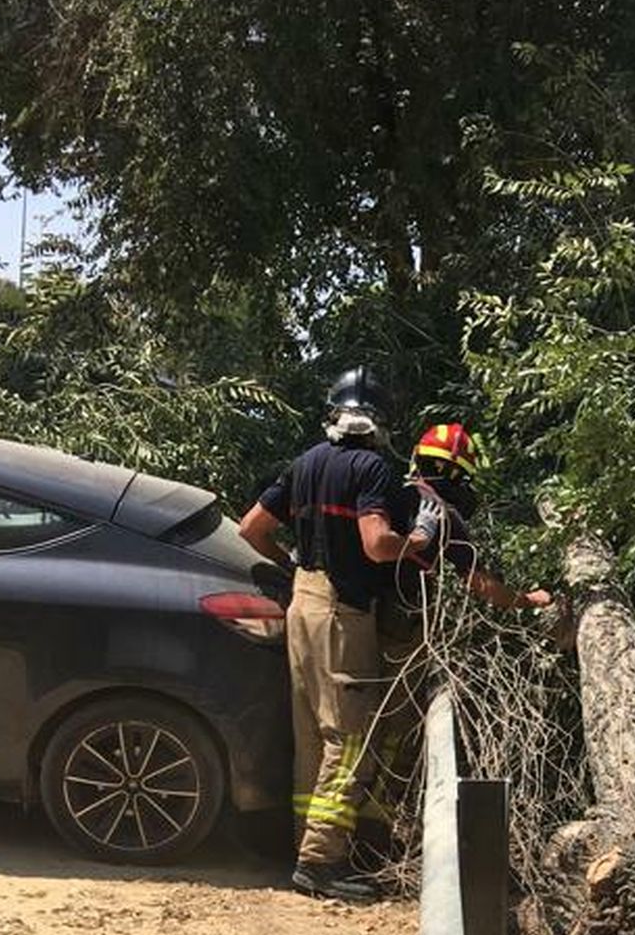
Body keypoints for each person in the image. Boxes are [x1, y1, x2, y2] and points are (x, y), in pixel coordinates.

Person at [236, 365, 432, 904]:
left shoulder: (305, 463)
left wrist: (292, 561)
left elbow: (250, 527)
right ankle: (321, 862)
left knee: (312, 738)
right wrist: (416, 539)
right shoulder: (374, 470)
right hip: (345, 615)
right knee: (349, 741)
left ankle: (308, 846)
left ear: (334, 413)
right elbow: (376, 544)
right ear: (378, 422)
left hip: (303, 601)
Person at [352, 421, 553, 863]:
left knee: (352, 727)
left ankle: (346, 829)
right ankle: (370, 833)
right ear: (458, 475)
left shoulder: (384, 494)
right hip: (401, 636)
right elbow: (481, 585)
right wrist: (527, 600)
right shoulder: (442, 514)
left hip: (351, 624)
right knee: (394, 730)